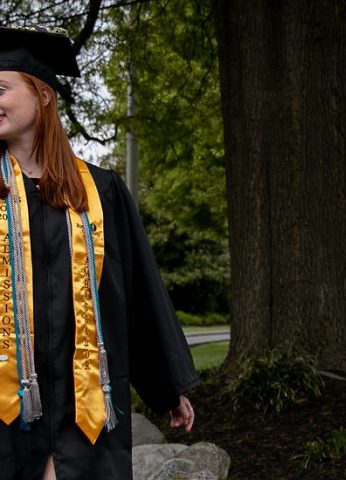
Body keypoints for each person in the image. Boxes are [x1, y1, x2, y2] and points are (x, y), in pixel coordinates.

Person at [0, 26, 200, 479]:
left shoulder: (101, 191)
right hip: (6, 414)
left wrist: (166, 389)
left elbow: (133, 296)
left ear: (43, 94)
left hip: (85, 408)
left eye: (1, 88)